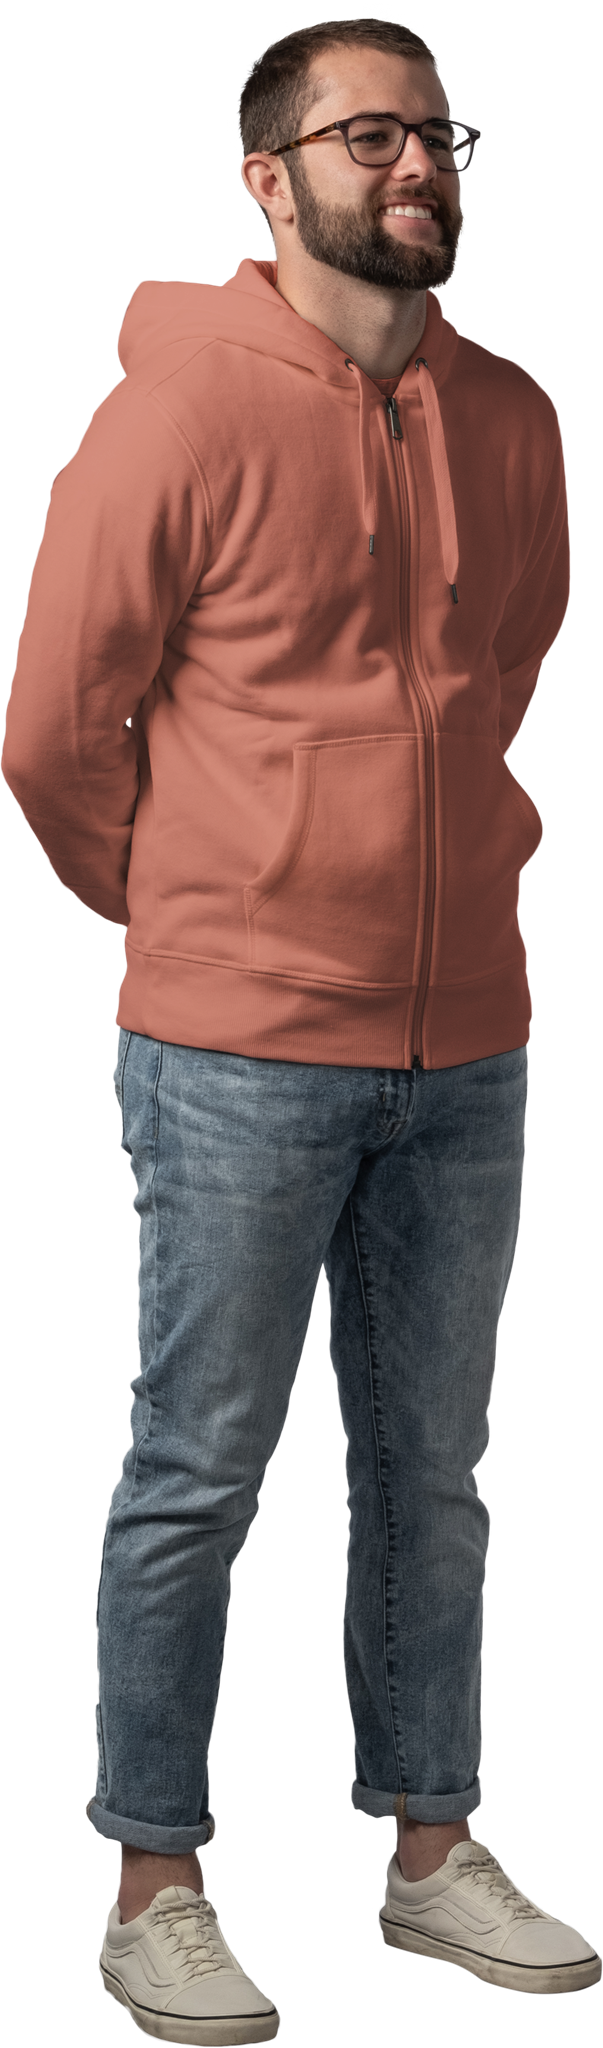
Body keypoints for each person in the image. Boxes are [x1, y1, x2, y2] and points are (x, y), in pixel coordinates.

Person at [2, 15, 599, 2032]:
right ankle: (152, 1877)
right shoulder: (173, 414)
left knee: (436, 1475)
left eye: (436, 133)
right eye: (367, 135)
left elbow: (505, 674)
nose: (415, 162)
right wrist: (198, 912)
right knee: (199, 1470)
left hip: (471, 1039)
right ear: (268, 178)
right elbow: (53, 736)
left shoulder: (511, 413)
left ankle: (430, 1848)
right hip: (237, 1047)